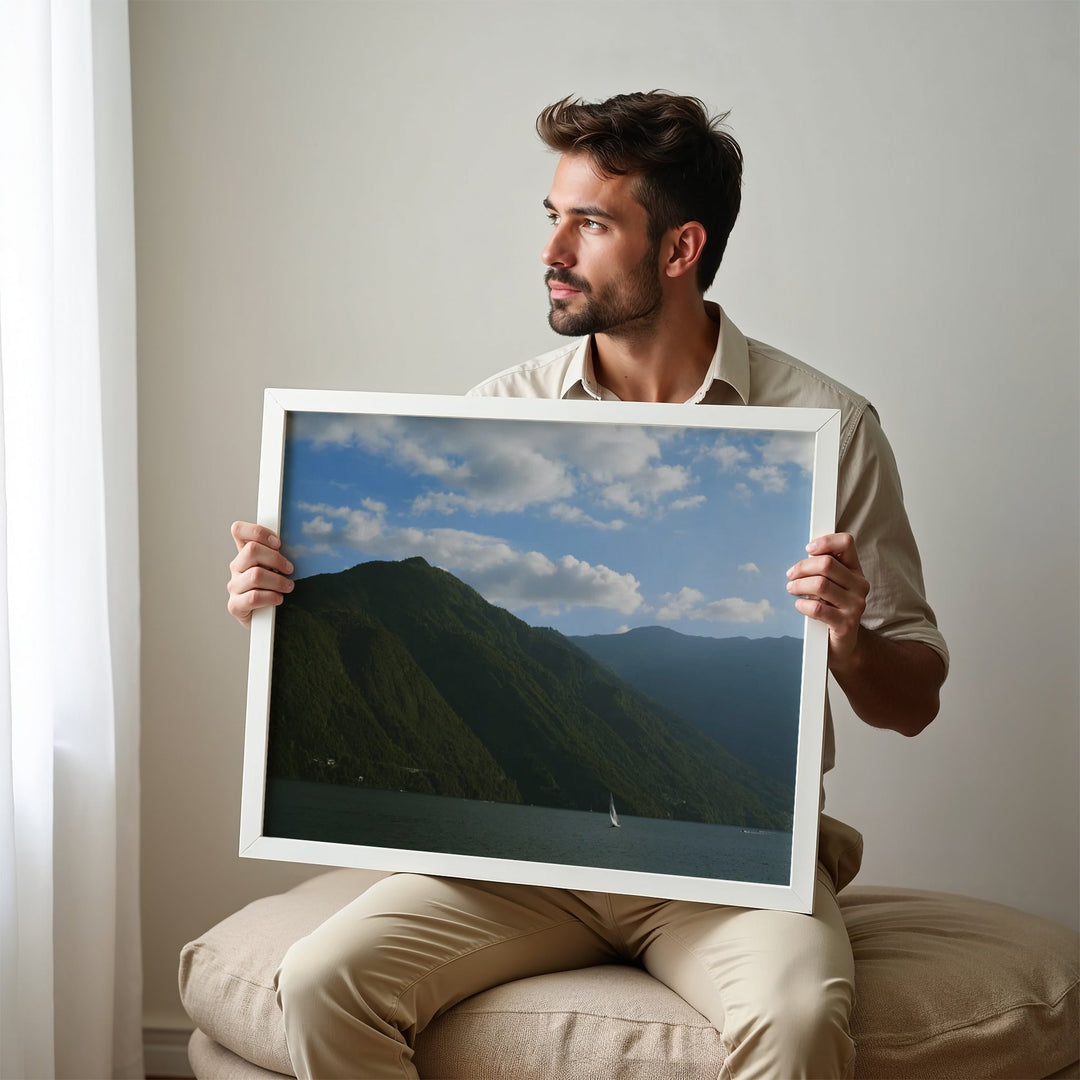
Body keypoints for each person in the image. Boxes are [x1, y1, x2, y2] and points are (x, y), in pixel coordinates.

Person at [227, 92, 948, 1080]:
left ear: (680, 249)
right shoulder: (497, 411)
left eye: (592, 224)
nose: (552, 249)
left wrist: (852, 637)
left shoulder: (829, 425)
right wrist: (285, 600)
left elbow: (911, 704)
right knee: (320, 983)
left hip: (731, 867)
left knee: (796, 1018)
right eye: (551, 217)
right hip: (519, 870)